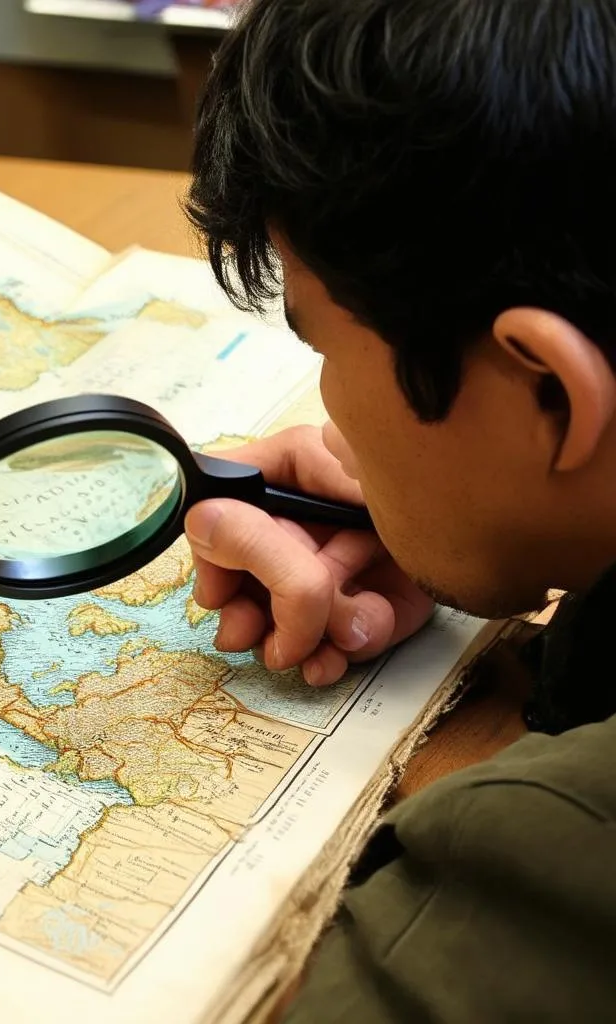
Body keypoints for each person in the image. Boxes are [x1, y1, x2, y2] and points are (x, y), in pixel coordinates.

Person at [183, 0, 616, 1019]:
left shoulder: (551, 849)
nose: (327, 406)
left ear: (547, 389)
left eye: (322, 347)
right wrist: (502, 517)